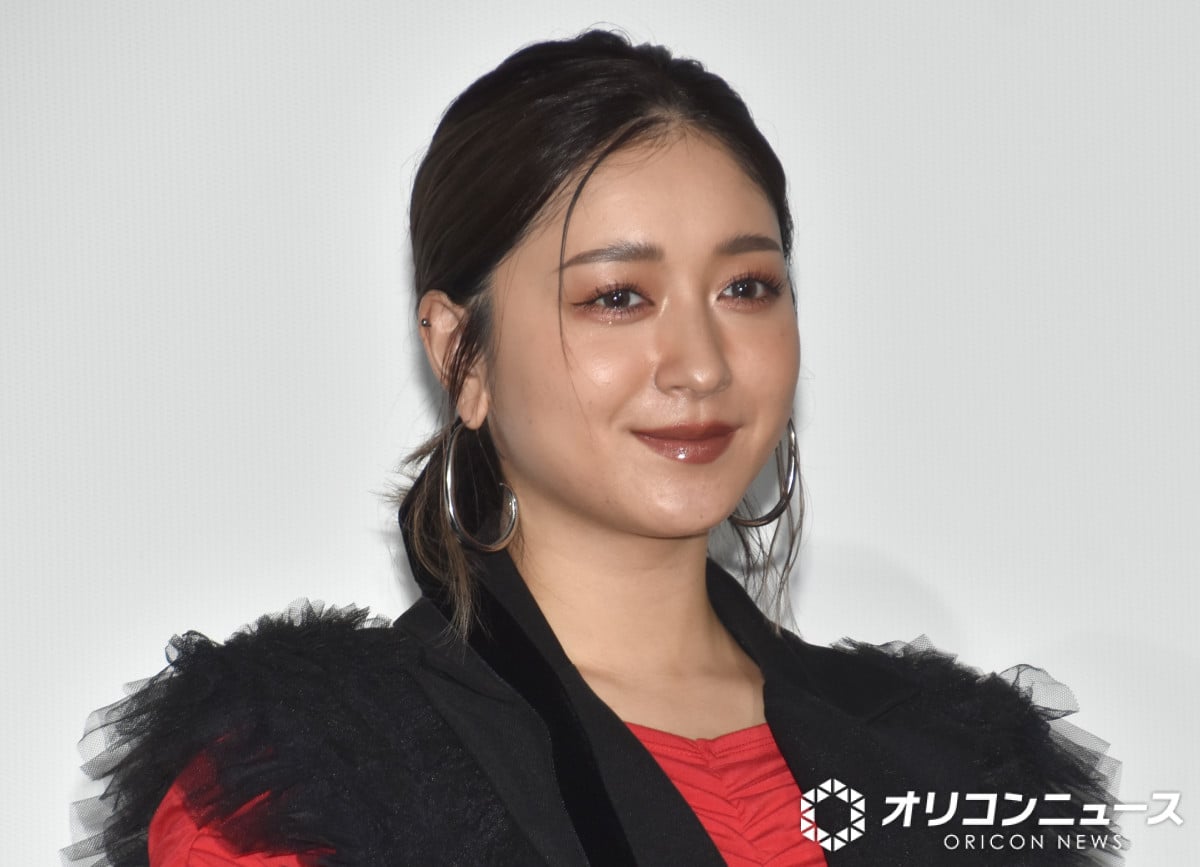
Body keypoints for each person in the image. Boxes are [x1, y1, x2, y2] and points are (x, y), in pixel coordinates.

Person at [65, 30, 1119, 867]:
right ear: (461, 351)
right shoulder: (313, 779)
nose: (700, 363)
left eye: (746, 287)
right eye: (618, 297)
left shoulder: (951, 761)